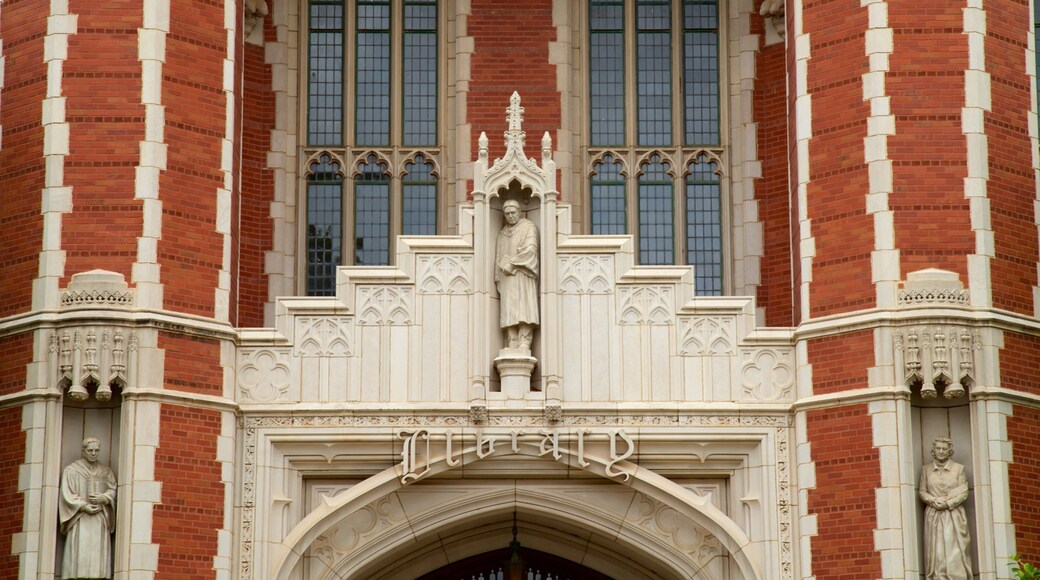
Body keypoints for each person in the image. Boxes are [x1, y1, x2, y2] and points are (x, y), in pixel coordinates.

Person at [59, 437, 116, 579]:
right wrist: (83, 506)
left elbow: (112, 489)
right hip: (80, 517)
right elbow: (67, 494)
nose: (93, 453)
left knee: (98, 559)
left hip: (99, 517)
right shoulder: (71, 470)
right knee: (80, 554)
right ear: (83, 451)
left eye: (97, 450)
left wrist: (104, 498)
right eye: (90, 450)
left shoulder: (105, 471)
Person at [919, 437, 972, 579]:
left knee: (953, 546)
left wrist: (948, 504)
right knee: (937, 550)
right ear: (933, 451)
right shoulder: (926, 469)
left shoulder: (959, 469)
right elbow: (922, 492)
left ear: (949, 451)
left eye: (944, 449)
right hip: (933, 515)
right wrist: (934, 500)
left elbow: (964, 492)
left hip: (953, 514)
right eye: (938, 448)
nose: (941, 451)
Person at [495, 200, 539, 349]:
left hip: (523, 273)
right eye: (507, 214)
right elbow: (498, 257)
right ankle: (512, 340)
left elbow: (531, 250)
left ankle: (524, 341)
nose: (510, 216)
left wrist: (513, 262)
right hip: (507, 276)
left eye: (513, 213)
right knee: (509, 308)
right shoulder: (502, 233)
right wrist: (498, 276)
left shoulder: (528, 227)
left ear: (519, 212)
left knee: (524, 307)